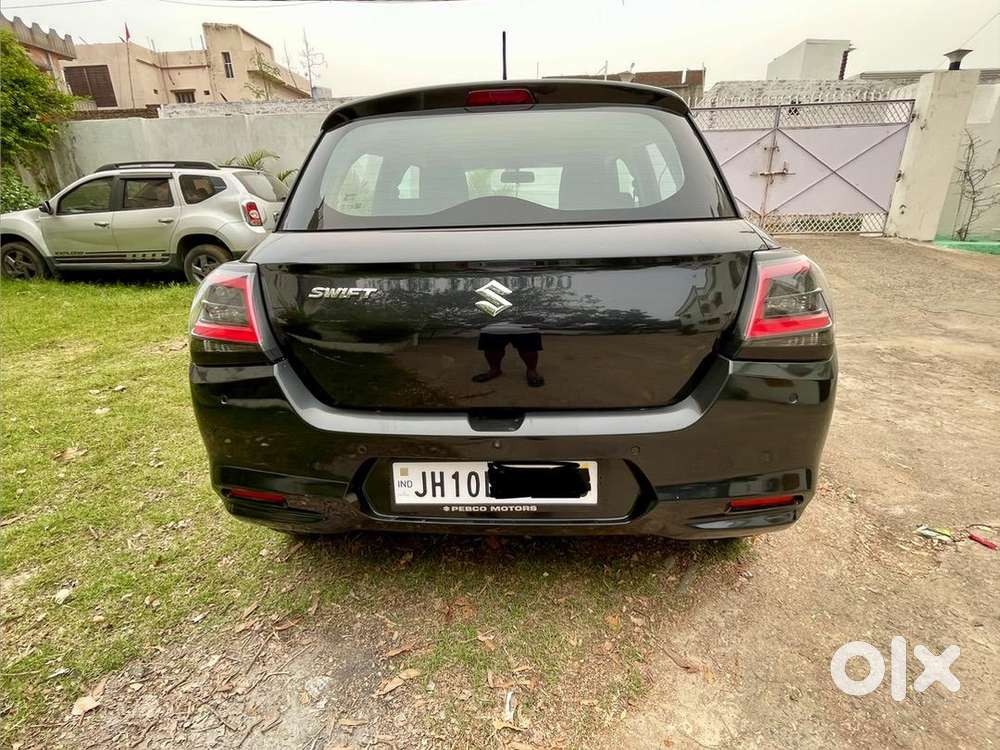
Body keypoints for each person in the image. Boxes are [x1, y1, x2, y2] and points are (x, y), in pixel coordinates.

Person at [472, 323, 545, 387]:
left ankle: (531, 370)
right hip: (494, 321)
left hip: (525, 321)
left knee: (528, 347)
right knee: (491, 346)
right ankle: (494, 370)